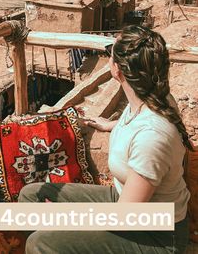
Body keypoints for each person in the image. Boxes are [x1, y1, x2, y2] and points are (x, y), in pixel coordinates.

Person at [18, 25, 192, 254]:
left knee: (41, 242)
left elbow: (125, 217)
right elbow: (137, 124)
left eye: (110, 51)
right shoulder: (151, 96)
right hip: (125, 201)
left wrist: (68, 219)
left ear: (117, 69)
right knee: (30, 198)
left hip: (156, 234)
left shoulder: (152, 137)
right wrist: (112, 125)